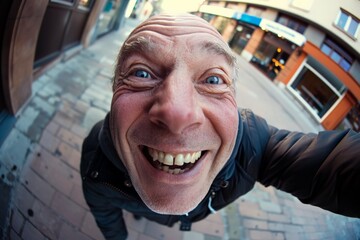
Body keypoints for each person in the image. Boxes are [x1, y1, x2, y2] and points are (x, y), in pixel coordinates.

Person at [80, 13, 360, 239]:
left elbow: (333, 166)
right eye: (141, 73)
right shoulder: (96, 156)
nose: (178, 113)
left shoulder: (250, 143)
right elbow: (105, 212)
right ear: (114, 90)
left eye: (213, 80)